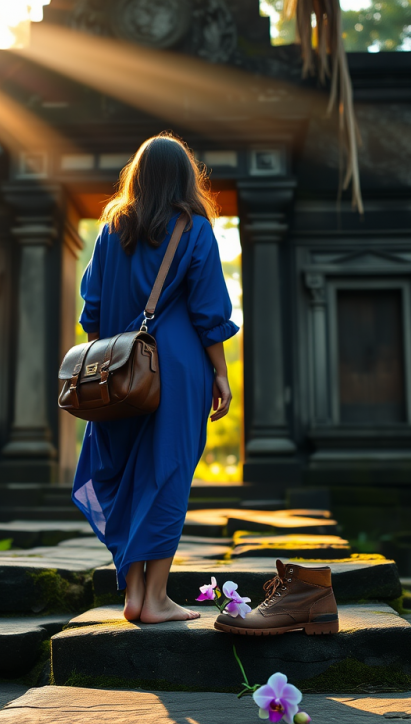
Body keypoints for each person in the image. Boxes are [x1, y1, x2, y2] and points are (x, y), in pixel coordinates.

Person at [71, 133, 239, 624]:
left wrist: (104, 368)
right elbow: (209, 314)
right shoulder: (195, 229)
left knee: (125, 475)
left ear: (137, 176)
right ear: (184, 177)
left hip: (119, 372)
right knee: (166, 476)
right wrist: (221, 375)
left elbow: (93, 312)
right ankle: (156, 598)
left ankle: (134, 594)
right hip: (179, 371)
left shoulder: (111, 230)